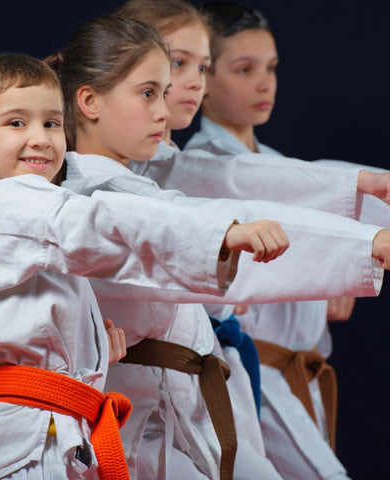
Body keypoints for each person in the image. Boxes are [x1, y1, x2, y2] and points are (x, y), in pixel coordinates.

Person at [48, 11, 390, 480]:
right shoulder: (93, 198)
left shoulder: (132, 179)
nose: (166, 110)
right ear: (89, 100)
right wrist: (366, 242)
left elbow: (233, 181)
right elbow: (198, 221)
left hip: (180, 411)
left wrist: (366, 212)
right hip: (139, 424)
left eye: (164, 93)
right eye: (151, 93)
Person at [0, 52, 294, 480]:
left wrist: (91, 350)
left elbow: (31, 321)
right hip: (28, 442)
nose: (39, 138)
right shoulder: (5, 203)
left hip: (55, 432)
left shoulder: (30, 210)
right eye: (17, 123)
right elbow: (102, 225)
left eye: (52, 123)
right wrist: (220, 234)